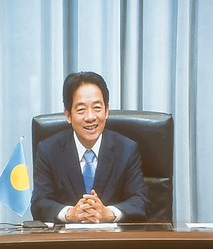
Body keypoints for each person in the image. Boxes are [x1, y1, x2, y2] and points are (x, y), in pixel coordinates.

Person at [31, 71, 148, 223]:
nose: (90, 117)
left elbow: (141, 202)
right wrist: (70, 213)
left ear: (106, 111)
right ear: (68, 115)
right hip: (65, 243)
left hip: (114, 242)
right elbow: (39, 203)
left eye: (97, 108)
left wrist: (109, 213)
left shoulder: (127, 149)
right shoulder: (48, 150)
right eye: (81, 110)